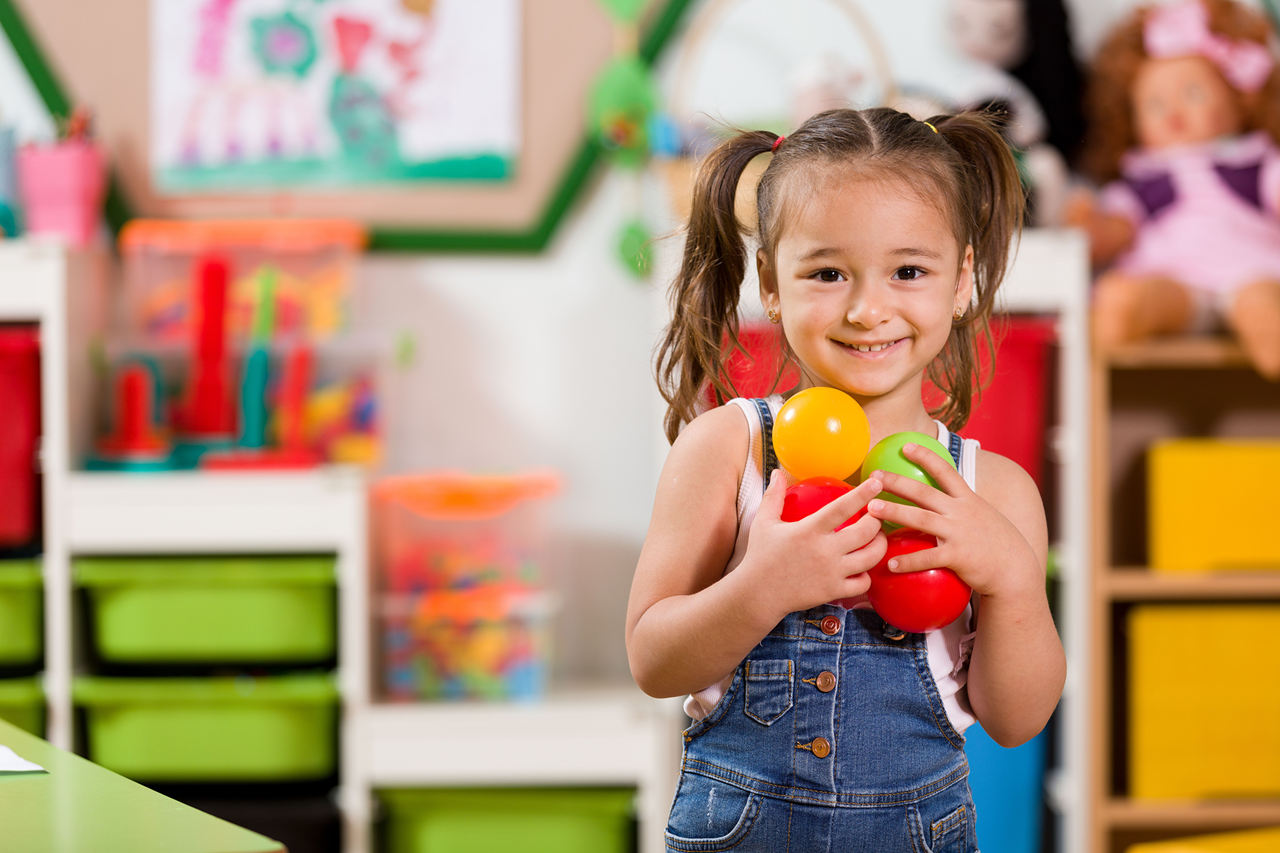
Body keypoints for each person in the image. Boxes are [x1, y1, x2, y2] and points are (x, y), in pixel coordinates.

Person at [626, 107, 1065, 852]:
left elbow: (1016, 720)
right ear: (770, 281)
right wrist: (760, 585)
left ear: (961, 280)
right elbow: (653, 660)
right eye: (827, 273)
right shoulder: (728, 450)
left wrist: (1012, 579)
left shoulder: (996, 491)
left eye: (909, 271)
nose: (868, 309)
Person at [1068, 0, 1280, 378]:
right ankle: (1127, 312)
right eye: (1154, 104)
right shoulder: (1145, 179)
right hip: (1174, 282)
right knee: (1132, 296)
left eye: (1194, 94)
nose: (1173, 112)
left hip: (1248, 273)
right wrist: (1093, 228)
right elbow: (1120, 226)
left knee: (1262, 305)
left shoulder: (1255, 162)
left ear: (1240, 99)